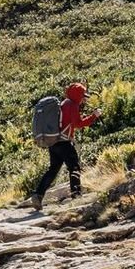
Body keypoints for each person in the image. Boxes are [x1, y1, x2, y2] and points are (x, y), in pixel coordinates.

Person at [30, 82, 101, 210]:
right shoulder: (72, 105)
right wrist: (93, 117)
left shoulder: (64, 103)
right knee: (74, 167)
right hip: (64, 143)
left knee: (53, 170)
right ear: (78, 95)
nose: (84, 99)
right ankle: (76, 195)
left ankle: (38, 194)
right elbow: (78, 124)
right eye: (83, 96)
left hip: (54, 142)